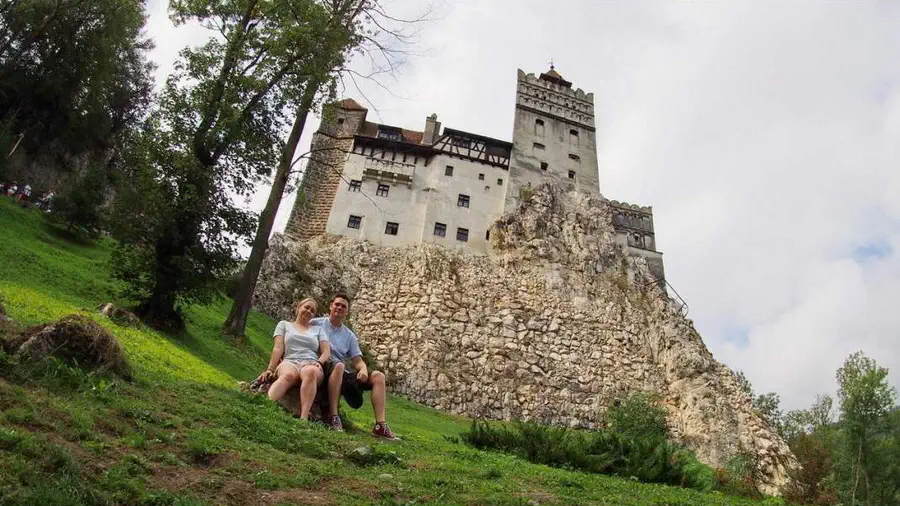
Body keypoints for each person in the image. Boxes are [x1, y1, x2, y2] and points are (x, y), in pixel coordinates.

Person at [312, 294, 396, 439]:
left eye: (343, 306)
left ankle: (380, 425)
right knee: (338, 365)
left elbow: (357, 360)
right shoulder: (315, 323)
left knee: (378, 377)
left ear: (347, 312)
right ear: (330, 306)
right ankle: (334, 417)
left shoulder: (349, 335)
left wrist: (362, 369)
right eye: (337, 304)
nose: (339, 308)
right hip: (320, 366)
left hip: (340, 372)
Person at [255, 297, 330, 420]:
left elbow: (326, 351)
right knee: (287, 375)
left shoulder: (318, 330)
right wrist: (270, 369)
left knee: (310, 372)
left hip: (311, 362)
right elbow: (278, 347)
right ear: (298, 307)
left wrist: (319, 362)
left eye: (312, 310)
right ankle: (266, 405)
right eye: (306, 307)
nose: (309, 311)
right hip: (290, 360)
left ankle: (304, 417)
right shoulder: (284, 325)